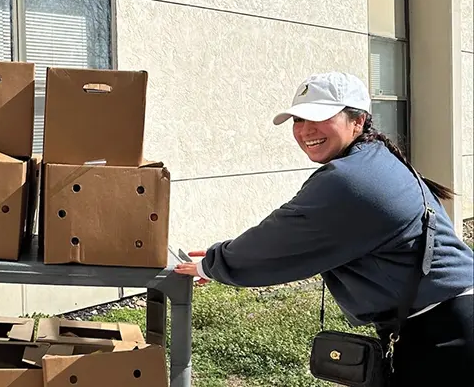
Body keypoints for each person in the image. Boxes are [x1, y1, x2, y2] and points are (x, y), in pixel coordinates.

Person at [174, 72, 473, 386]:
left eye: (319, 117)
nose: (306, 130)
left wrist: (211, 264)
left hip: (448, 335)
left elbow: (279, 241)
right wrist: (218, 259)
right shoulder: (372, 161)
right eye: (298, 119)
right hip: (444, 320)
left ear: (358, 121)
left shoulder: (351, 180)